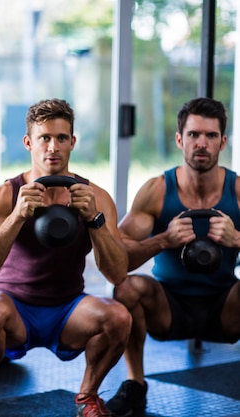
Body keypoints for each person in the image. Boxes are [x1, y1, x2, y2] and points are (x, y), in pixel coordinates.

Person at [0, 98, 132, 417]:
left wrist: (94, 219)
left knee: (118, 317)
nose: (53, 147)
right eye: (44, 138)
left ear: (73, 142)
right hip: (14, 307)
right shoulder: (4, 195)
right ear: (28, 142)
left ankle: (88, 398)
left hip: (68, 309)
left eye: (62, 138)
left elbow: (118, 274)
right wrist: (16, 217)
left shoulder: (96, 196)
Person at [105, 97, 240, 417]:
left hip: (226, 308)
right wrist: (162, 240)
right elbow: (115, 258)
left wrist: (237, 239)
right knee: (127, 289)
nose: (201, 143)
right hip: (168, 307)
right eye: (193, 135)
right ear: (180, 139)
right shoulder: (157, 190)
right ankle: (135, 385)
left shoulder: (237, 190)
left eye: (210, 135)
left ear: (223, 141)